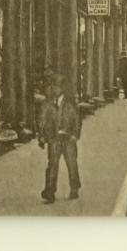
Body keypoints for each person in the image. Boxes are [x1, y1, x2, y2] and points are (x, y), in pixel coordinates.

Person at [38, 71, 81, 204]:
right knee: (52, 165)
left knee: (72, 164)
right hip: (54, 138)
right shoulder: (47, 104)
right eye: (52, 87)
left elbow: (77, 120)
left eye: (56, 87)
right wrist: (42, 136)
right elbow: (42, 120)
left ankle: (74, 188)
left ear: (62, 88)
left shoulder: (70, 103)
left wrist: (75, 135)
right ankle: (50, 192)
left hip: (68, 138)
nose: (54, 89)